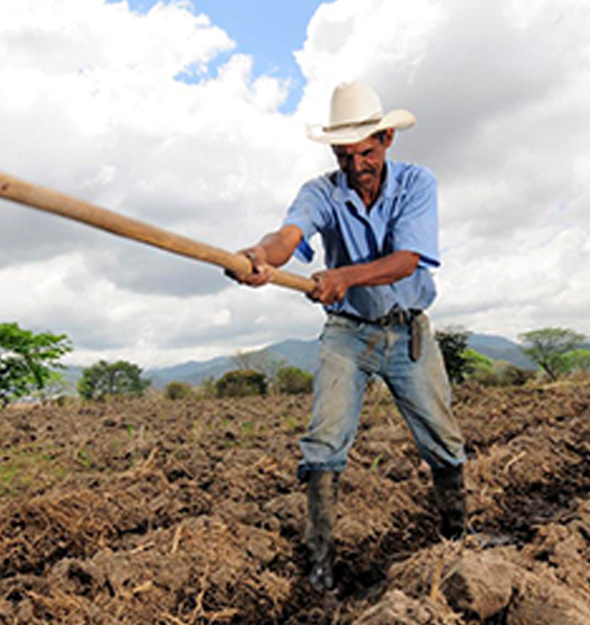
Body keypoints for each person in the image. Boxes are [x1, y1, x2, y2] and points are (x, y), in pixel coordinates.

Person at [229, 81, 467, 591]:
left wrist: (344, 276)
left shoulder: (417, 183)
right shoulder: (320, 192)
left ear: (386, 141)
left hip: (407, 333)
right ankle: (320, 565)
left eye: (366, 151)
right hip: (347, 333)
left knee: (443, 440)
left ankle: (457, 535)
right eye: (345, 154)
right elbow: (288, 236)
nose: (356, 164)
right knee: (324, 440)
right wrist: (259, 257)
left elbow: (407, 260)